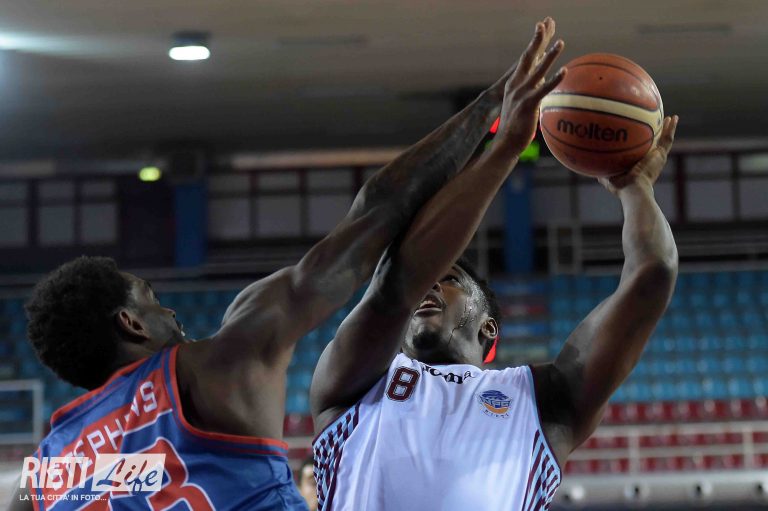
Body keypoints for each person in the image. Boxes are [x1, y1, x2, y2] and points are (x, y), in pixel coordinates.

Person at [7, 22, 533, 510]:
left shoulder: (47, 471)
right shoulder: (216, 368)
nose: (171, 311)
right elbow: (377, 214)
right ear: (130, 323)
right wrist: (490, 111)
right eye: (152, 300)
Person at [310, 23, 680, 511]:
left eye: (450, 280)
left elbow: (653, 275)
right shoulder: (356, 382)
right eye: (429, 277)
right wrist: (504, 147)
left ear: (489, 328)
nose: (430, 286)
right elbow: (398, 281)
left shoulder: (545, 401)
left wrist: (635, 188)